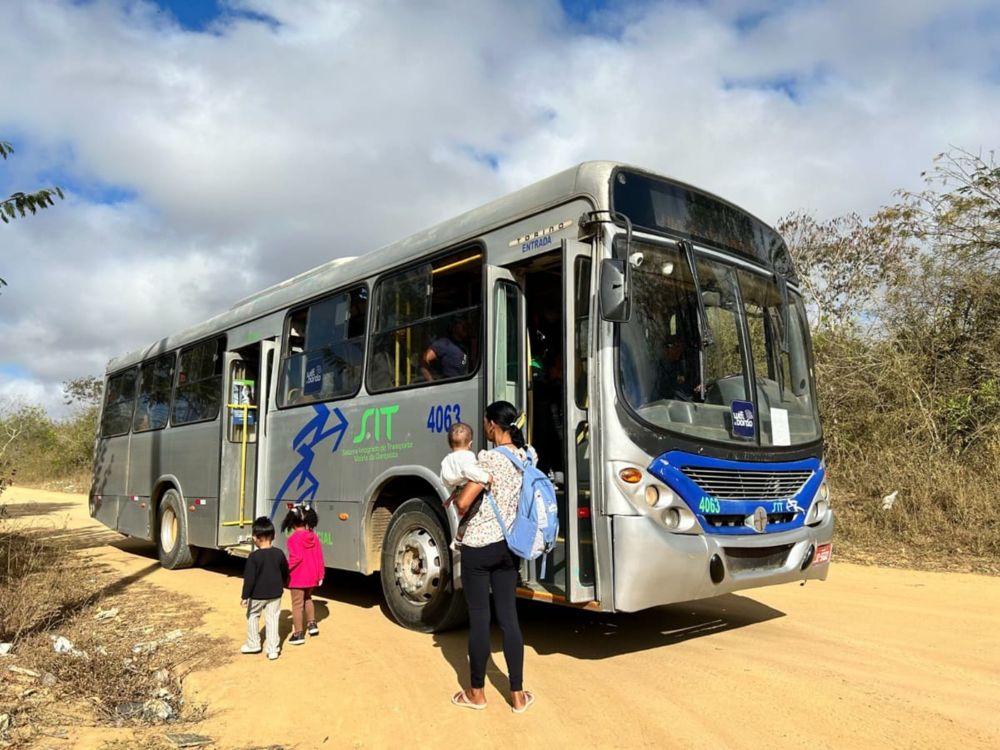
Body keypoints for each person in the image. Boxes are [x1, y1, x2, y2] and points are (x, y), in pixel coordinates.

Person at [449, 400, 535, 714]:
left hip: (478, 547)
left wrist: (458, 493)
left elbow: (463, 504)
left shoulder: (487, 458)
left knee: (480, 619)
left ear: (490, 426)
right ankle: (517, 695)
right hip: (509, 548)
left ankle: (476, 694)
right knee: (509, 620)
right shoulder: (526, 457)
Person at [240, 516, 289, 661]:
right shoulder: (279, 553)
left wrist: (244, 596)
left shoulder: (253, 557)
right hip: (275, 593)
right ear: (273, 536)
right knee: (273, 619)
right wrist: (284, 583)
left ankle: (253, 644)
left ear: (255, 537)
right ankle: (273, 649)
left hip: (257, 595)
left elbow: (249, 580)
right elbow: (285, 571)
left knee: (253, 616)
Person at [439, 422, 491, 548]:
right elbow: (470, 471)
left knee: (468, 515)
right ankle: (458, 539)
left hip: (458, 490)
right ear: (470, 444)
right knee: (472, 514)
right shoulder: (467, 456)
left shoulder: (447, 459)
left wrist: (452, 495)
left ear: (450, 444)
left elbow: (444, 479)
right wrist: (486, 477)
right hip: (468, 489)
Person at [281, 504, 325, 644]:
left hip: (298, 577)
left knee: (297, 604)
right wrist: (320, 575)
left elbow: (296, 558)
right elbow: (319, 557)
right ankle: (312, 624)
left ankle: (298, 633)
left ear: (292, 522)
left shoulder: (293, 539)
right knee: (308, 598)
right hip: (312, 576)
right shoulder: (314, 537)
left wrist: (284, 569)